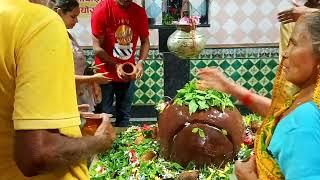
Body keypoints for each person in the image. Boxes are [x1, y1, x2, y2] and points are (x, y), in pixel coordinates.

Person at [0, 0, 115, 179]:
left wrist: (57, 115)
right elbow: (37, 154)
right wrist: (98, 142)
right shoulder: (39, 21)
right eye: (73, 16)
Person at [197, 12, 320, 179]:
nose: (285, 54)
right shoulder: (306, 102)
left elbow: (295, 124)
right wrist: (230, 87)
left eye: (294, 43)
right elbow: (280, 114)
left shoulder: (304, 123)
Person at [91, 0, 150, 127]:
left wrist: (140, 63)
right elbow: (96, 47)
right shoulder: (102, 9)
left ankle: (123, 146)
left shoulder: (139, 12)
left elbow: (145, 41)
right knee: (103, 116)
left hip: (128, 73)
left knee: (124, 117)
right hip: (104, 74)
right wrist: (116, 64)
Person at [54, 0, 111, 112]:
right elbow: (61, 76)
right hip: (64, 96)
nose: (76, 21)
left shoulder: (67, 35)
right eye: (73, 16)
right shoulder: (54, 38)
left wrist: (91, 75)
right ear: (60, 13)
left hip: (78, 94)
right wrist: (92, 79)